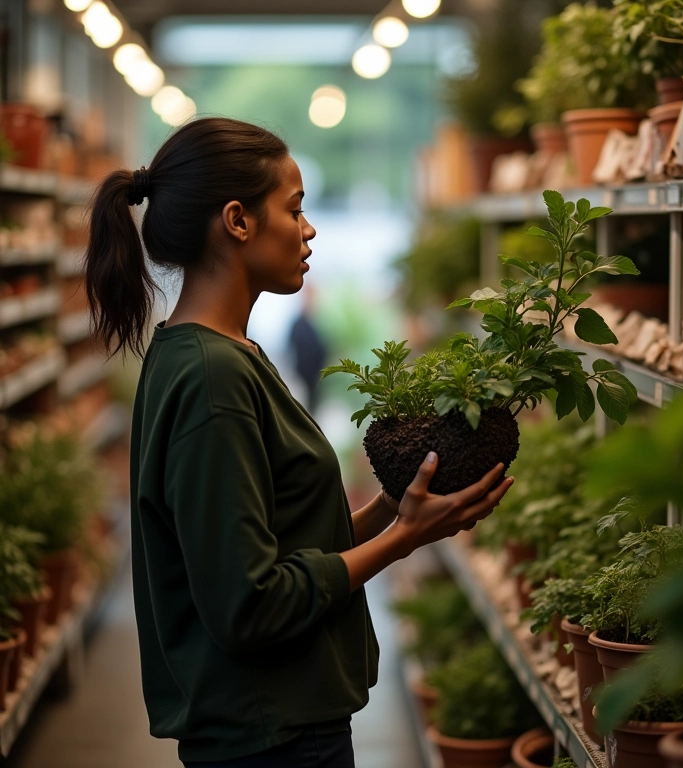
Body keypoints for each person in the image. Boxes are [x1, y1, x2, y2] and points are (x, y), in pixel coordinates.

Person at [84, 117, 514, 768]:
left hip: (277, 724)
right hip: (269, 737)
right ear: (237, 221)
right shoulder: (212, 377)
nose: (309, 229)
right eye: (295, 209)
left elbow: (280, 538)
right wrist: (400, 541)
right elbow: (248, 604)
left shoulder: (222, 355)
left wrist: (395, 512)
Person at [287, 285, 327, 415]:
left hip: (316, 375)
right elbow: (292, 347)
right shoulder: (299, 324)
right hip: (303, 374)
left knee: (313, 408)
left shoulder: (316, 323)